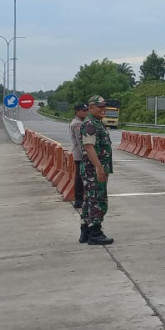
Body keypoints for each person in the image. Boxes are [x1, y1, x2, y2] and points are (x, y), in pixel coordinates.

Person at [80, 95, 115, 245]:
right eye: (99, 107)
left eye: (104, 106)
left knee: (89, 199)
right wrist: (99, 167)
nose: (103, 109)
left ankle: (85, 231)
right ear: (91, 108)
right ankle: (95, 232)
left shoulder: (96, 123)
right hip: (93, 170)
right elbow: (89, 146)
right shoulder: (90, 124)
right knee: (98, 200)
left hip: (93, 169)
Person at [69, 103, 89, 209]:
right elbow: (80, 141)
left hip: (79, 154)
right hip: (80, 154)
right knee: (80, 178)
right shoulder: (77, 124)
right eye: (83, 110)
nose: (85, 112)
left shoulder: (79, 122)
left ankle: (80, 198)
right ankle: (78, 199)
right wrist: (86, 155)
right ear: (77, 111)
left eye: (86, 110)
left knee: (81, 177)